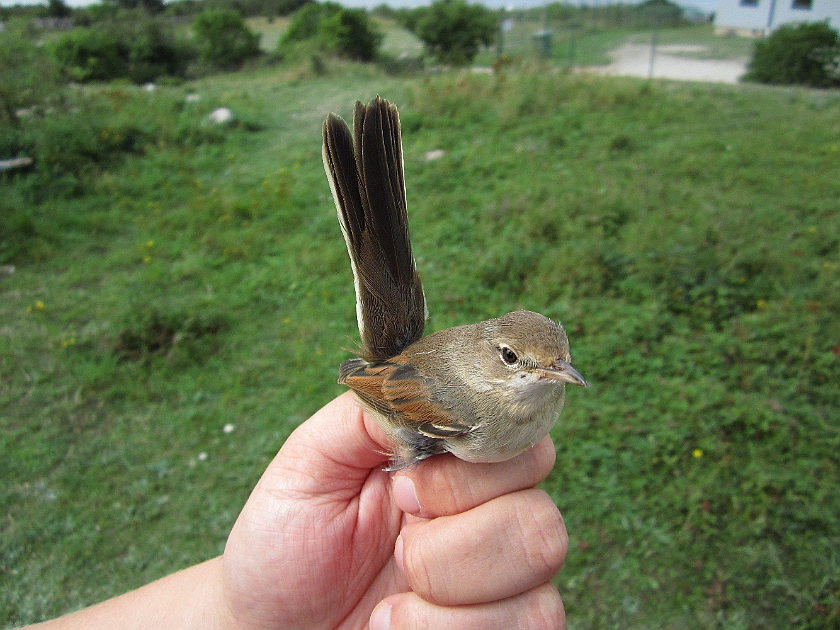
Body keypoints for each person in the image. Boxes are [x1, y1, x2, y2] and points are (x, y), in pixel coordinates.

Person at [25, 392, 568, 630]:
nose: (553, 376)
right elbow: (381, 387)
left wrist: (238, 619)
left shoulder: (531, 406)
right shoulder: (468, 405)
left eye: (559, 366)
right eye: (524, 364)